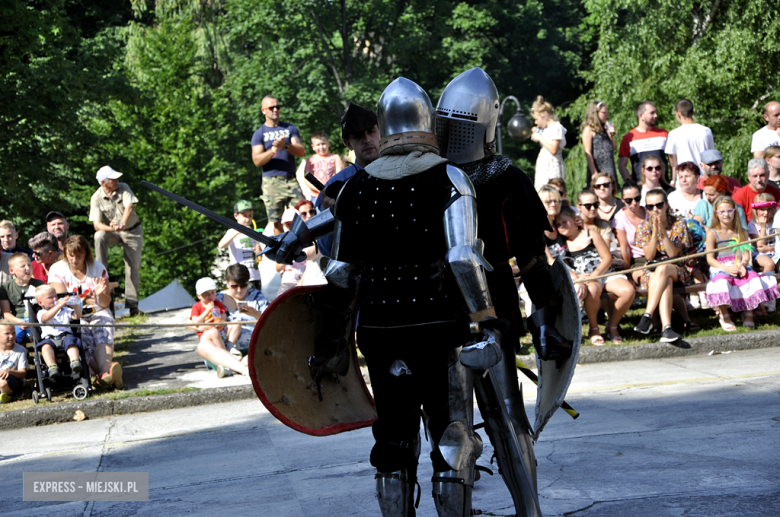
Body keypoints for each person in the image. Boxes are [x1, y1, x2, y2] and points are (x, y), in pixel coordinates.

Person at [48, 235, 121, 389]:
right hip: (73, 314)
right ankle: (106, 374)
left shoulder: (98, 268)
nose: (75, 260)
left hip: (98, 311)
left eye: (79, 256)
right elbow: (63, 301)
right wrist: (85, 299)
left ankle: (103, 374)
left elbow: (105, 303)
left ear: (86, 253)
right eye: (71, 256)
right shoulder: (57, 269)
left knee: (104, 328)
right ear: (66, 254)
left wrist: (100, 295)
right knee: (83, 336)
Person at [314, 103, 380, 257]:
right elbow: (326, 249)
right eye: (358, 136)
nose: (367, 139)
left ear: (381, 131)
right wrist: (330, 214)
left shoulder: (402, 172)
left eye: (371, 132)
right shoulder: (333, 188)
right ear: (348, 143)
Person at [705, 196, 780, 329]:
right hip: (720, 266)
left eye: (729, 211)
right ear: (716, 214)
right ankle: (724, 314)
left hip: (739, 264)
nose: (726, 214)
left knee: (752, 278)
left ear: (735, 211)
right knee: (722, 282)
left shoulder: (741, 231)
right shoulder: (712, 233)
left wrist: (743, 265)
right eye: (722, 212)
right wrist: (726, 269)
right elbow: (710, 259)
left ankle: (748, 312)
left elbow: (746, 254)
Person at [633, 189, 693, 342]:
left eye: (659, 205)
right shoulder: (643, 227)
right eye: (650, 207)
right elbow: (649, 256)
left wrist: (664, 234)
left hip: (676, 268)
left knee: (664, 268)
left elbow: (673, 255)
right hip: (653, 272)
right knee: (664, 280)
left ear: (666, 205)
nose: (655, 210)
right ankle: (667, 328)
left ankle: (647, 316)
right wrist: (654, 233)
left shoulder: (678, 223)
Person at [90, 166, 143, 316]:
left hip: (132, 230)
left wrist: (122, 224)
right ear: (103, 182)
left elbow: (130, 207)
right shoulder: (96, 197)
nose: (117, 181)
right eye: (113, 179)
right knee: (98, 235)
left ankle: (133, 305)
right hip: (113, 232)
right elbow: (96, 224)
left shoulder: (124, 187)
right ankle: (101, 270)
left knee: (132, 266)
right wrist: (112, 229)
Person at [251, 95, 306, 235]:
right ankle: (283, 250)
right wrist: (273, 150)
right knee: (276, 220)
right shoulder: (259, 134)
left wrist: (285, 145)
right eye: (271, 107)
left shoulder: (290, 128)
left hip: (291, 179)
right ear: (263, 110)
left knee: (303, 212)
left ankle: (304, 247)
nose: (275, 110)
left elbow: (300, 151)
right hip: (272, 182)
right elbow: (257, 161)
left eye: (278, 107)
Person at [188, 277, 248, 378]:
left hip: (222, 333)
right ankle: (227, 356)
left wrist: (220, 323)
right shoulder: (197, 307)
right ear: (199, 296)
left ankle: (230, 346)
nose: (210, 296)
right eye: (206, 294)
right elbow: (195, 323)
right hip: (208, 337)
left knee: (236, 323)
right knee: (212, 331)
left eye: (212, 292)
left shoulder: (218, 304)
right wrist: (207, 311)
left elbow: (224, 319)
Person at [215, 264, 270, 355]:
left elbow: (271, 323)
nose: (239, 290)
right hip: (224, 349)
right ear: (227, 283)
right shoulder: (217, 298)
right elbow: (192, 323)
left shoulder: (258, 297)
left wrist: (255, 314)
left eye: (244, 285)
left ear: (248, 282)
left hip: (254, 348)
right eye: (234, 286)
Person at [34, 284, 84, 378]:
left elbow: (77, 316)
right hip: (49, 339)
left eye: (55, 296)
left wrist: (75, 306)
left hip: (65, 336)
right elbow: (46, 318)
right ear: (40, 303)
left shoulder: (64, 310)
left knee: (72, 343)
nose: (55, 299)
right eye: (50, 297)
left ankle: (75, 362)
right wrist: (60, 305)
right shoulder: (41, 312)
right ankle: (52, 367)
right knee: (45, 347)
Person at [664, 99, 714, 184]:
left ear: (678, 114)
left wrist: (673, 181)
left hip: (683, 180)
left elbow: (673, 163)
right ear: (693, 112)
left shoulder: (674, 134)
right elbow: (711, 158)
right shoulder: (706, 131)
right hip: (703, 179)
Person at [618, 101, 669, 182]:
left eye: (655, 112)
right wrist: (630, 184)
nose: (656, 115)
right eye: (652, 113)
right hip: (640, 187)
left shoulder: (663, 134)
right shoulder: (629, 138)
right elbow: (621, 165)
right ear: (641, 116)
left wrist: (673, 181)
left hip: (663, 186)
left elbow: (673, 160)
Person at [0, 252, 44, 343]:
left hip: (36, 320)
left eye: (29, 265)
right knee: (13, 336)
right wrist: (18, 321)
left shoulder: (39, 285)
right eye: (22, 266)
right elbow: (6, 313)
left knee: (39, 336)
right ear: (12, 271)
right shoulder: (6, 287)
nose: (27, 268)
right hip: (16, 320)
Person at [218, 199, 262, 290]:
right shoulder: (232, 231)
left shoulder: (254, 232)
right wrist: (238, 231)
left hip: (255, 275)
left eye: (250, 215)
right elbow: (221, 245)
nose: (248, 218)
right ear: (236, 216)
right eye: (245, 215)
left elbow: (259, 255)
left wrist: (259, 252)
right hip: (239, 275)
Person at [614, 181, 648, 284]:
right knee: (652, 280)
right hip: (637, 261)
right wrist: (627, 274)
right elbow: (625, 249)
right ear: (623, 200)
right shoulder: (620, 218)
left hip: (656, 257)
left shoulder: (649, 212)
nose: (634, 203)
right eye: (629, 200)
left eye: (637, 199)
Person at [530, 95, 567, 190]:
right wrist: (537, 133)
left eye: (537, 119)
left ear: (544, 116)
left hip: (552, 168)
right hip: (544, 167)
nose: (536, 122)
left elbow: (553, 149)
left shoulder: (557, 127)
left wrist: (540, 138)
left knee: (552, 190)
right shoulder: (547, 129)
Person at [749, 193, 779, 297]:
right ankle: (764, 291)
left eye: (769, 209)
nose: (766, 212)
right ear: (756, 210)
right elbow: (760, 247)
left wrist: (770, 248)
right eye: (762, 209)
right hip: (759, 256)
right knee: (769, 264)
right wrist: (763, 227)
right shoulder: (752, 225)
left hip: (775, 253)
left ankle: (773, 293)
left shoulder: (775, 223)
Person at [581, 100, 617, 186]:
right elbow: (587, 151)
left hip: (609, 166)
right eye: (604, 113)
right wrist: (594, 172)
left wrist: (611, 135)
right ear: (596, 113)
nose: (606, 115)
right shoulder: (589, 129)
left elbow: (614, 147)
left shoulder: (605, 128)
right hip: (598, 167)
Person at [275, 208, 309, 296]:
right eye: (288, 224)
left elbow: (311, 265)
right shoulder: (281, 243)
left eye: (293, 224)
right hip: (287, 282)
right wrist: (287, 251)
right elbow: (278, 268)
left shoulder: (307, 241)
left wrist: (301, 283)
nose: (290, 228)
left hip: (306, 282)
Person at [303, 131, 344, 201]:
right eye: (318, 145)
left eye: (323, 144)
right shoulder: (310, 160)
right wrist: (319, 189)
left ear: (328, 143)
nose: (321, 147)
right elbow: (306, 178)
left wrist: (329, 189)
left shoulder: (335, 157)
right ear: (313, 147)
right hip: (315, 195)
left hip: (331, 194)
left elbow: (339, 175)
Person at [0, 322, 26, 404]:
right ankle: (4, 396)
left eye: (13, 333)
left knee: (3, 383)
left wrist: (9, 372)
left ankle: (8, 395)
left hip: (13, 380)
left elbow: (23, 373)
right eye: (7, 334)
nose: (11, 336)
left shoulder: (20, 350)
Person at [540, 185, 567, 260]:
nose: (553, 204)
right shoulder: (536, 229)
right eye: (548, 202)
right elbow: (550, 261)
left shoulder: (560, 225)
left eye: (556, 201)